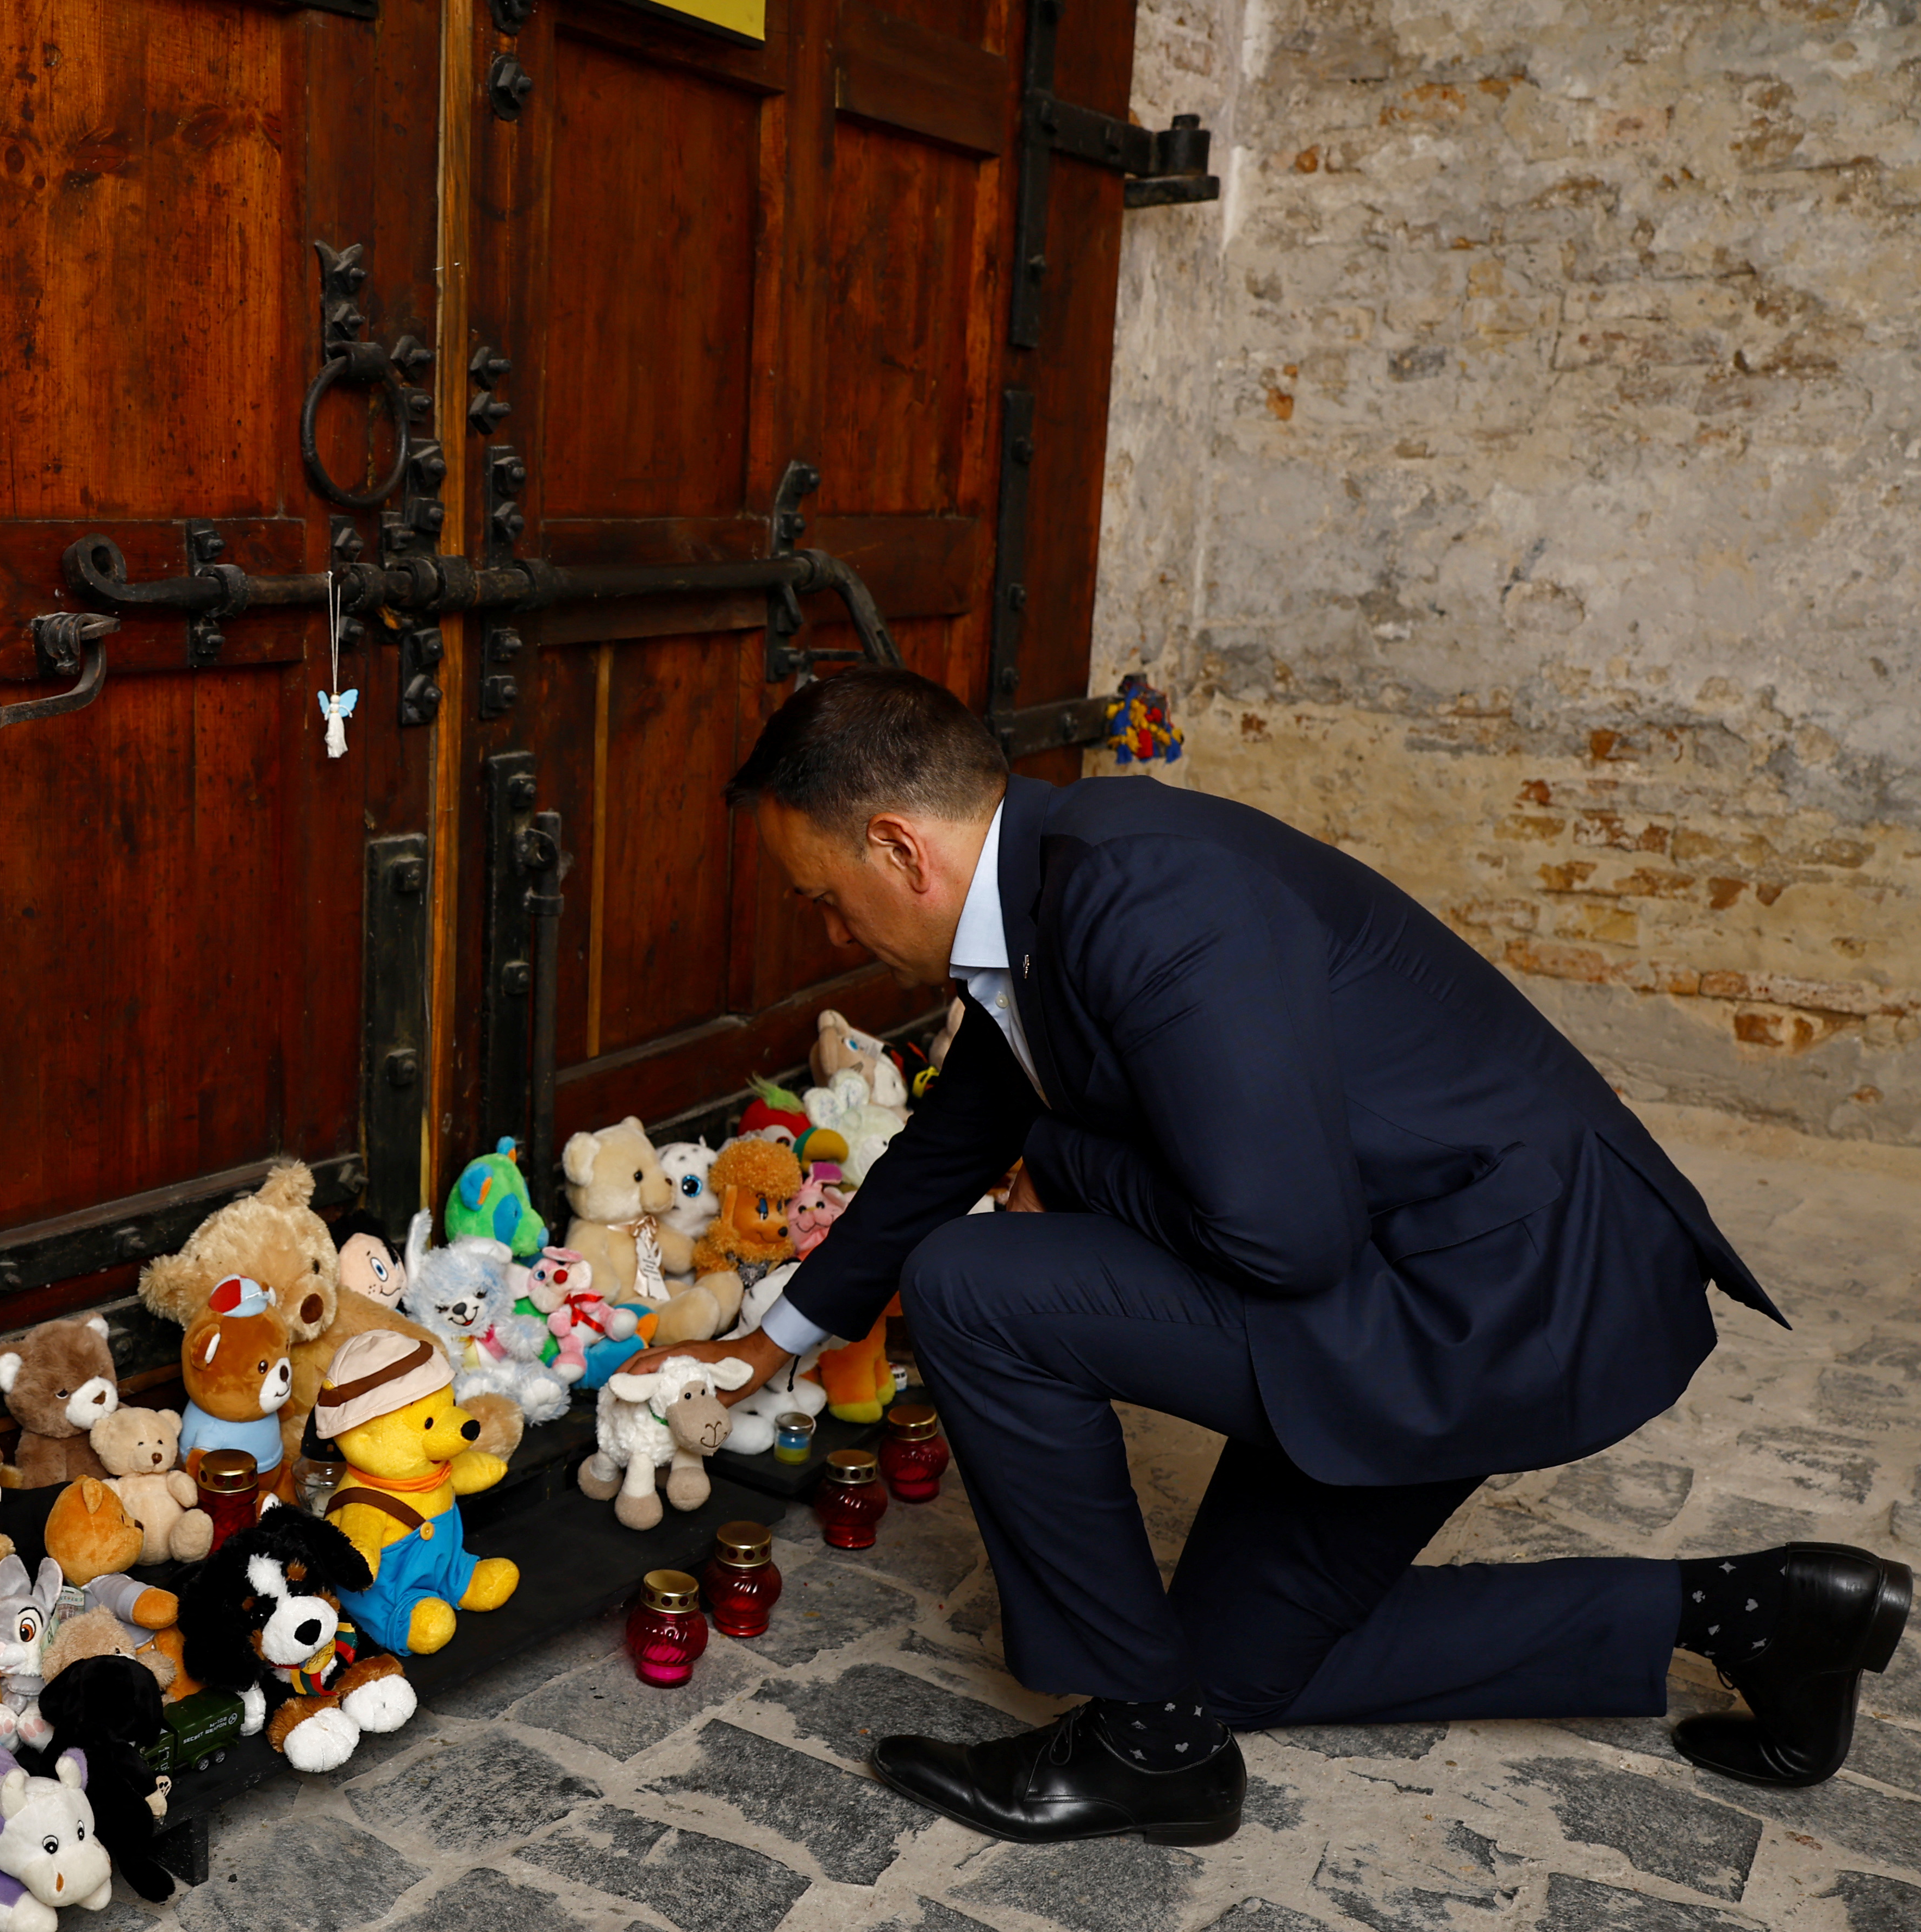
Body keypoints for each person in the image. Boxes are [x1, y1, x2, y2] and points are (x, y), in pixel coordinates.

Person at [640, 666, 1908, 1847]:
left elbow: (1281, 1239)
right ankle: (1765, 1612)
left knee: (981, 1287)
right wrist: (769, 1344)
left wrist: (1066, 1168)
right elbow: (951, 1142)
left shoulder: (1145, 897)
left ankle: (1140, 1743)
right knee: (1232, 1672)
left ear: (899, 850)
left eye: (821, 895)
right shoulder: (1040, 893)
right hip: (1424, 1264)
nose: (824, 929)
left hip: (1496, 1291)